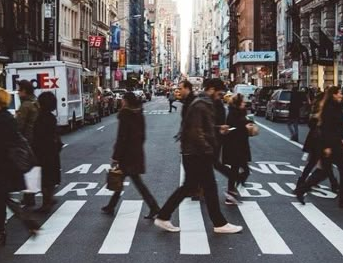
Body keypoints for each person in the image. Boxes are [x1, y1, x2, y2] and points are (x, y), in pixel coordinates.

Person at [154, 78, 243, 234]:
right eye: (220, 93)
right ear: (212, 89)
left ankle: (163, 216)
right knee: (208, 187)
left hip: (193, 151)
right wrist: (208, 148)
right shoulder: (202, 104)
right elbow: (196, 132)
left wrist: (217, 128)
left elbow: (200, 127)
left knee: (191, 187)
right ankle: (219, 223)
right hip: (197, 153)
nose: (220, 97)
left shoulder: (200, 102)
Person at [0, 88, 40, 246]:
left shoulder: (0, 119)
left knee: (0, 201)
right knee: (3, 199)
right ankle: (24, 225)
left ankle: (1, 233)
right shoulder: (7, 117)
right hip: (7, 167)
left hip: (0, 167)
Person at [295, 86, 343, 209]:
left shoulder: (333, 107)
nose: (342, 95)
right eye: (340, 93)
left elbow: (335, 128)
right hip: (332, 144)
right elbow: (327, 129)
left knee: (324, 172)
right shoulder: (330, 108)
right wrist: (328, 146)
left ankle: (301, 189)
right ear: (334, 95)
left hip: (334, 143)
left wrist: (341, 140)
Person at [102, 92, 160, 218]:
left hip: (126, 156)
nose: (121, 102)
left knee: (134, 182)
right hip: (136, 154)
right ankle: (111, 206)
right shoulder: (139, 114)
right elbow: (142, 136)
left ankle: (154, 207)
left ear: (127, 101)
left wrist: (116, 156)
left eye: (123, 100)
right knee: (126, 181)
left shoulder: (125, 115)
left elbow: (121, 137)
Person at [294, 90, 339, 194]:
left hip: (315, 140)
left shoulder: (317, 109)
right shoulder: (322, 110)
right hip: (320, 141)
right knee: (324, 165)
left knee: (317, 164)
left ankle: (302, 183)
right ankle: (333, 185)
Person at [33, 92, 61, 213]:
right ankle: (49, 199)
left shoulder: (41, 118)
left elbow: (38, 136)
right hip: (52, 151)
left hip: (42, 151)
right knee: (50, 177)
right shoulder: (51, 117)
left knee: (44, 178)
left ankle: (46, 203)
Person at [222, 94, 251, 204]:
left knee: (237, 169)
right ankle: (231, 192)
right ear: (238, 103)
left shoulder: (241, 112)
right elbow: (233, 128)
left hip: (241, 145)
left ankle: (231, 191)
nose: (245, 103)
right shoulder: (233, 113)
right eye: (243, 101)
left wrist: (249, 124)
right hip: (235, 146)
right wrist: (245, 127)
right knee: (240, 169)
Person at [16, 80, 39, 207]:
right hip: (35, 140)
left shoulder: (25, 105)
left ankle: (29, 197)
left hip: (27, 141)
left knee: (26, 168)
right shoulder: (35, 101)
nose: (18, 92)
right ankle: (29, 196)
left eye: (19, 90)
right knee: (31, 169)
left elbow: (19, 125)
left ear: (24, 91)